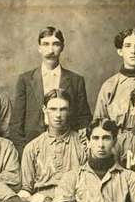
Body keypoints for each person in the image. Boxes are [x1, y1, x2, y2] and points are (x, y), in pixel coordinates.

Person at [9, 26, 92, 156]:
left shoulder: (76, 80)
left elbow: (84, 118)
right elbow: (16, 123)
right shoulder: (25, 80)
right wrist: (24, 152)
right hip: (33, 148)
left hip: (67, 148)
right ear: (39, 48)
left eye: (55, 44)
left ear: (62, 47)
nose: (50, 50)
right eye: (45, 44)